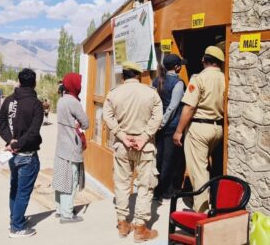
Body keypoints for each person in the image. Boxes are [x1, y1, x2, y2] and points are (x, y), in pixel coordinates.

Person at [103, 61, 162, 242]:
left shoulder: (114, 94)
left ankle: (123, 224)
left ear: (123, 77)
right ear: (139, 75)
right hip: (145, 146)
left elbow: (107, 116)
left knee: (121, 183)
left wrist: (121, 135)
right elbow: (157, 116)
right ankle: (140, 228)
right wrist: (144, 136)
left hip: (123, 146)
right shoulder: (151, 93)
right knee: (145, 185)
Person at [173, 46, 225, 213]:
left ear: (204, 60)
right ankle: (215, 202)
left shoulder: (198, 78)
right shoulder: (226, 78)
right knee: (213, 169)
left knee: (198, 172)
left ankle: (201, 212)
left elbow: (189, 108)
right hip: (218, 129)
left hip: (199, 128)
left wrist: (179, 131)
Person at [0, 68, 44, 238]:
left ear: (19, 82)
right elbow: (33, 132)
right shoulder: (36, 104)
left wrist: (10, 141)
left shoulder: (9, 100)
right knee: (22, 192)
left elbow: (0, 124)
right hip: (27, 156)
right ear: (34, 83)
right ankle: (17, 227)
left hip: (13, 155)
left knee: (15, 189)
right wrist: (16, 143)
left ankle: (15, 219)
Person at [52, 73, 89, 223]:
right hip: (71, 148)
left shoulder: (61, 100)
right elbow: (86, 123)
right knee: (71, 180)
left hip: (61, 146)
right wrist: (78, 125)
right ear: (75, 85)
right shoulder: (73, 102)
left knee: (61, 178)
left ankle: (60, 209)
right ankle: (67, 215)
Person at [152, 54, 187, 203]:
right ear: (177, 67)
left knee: (159, 158)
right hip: (171, 125)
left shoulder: (156, 80)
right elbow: (173, 106)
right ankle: (165, 192)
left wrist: (156, 122)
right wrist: (163, 121)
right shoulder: (178, 83)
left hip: (158, 125)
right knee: (169, 159)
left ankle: (156, 190)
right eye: (180, 65)